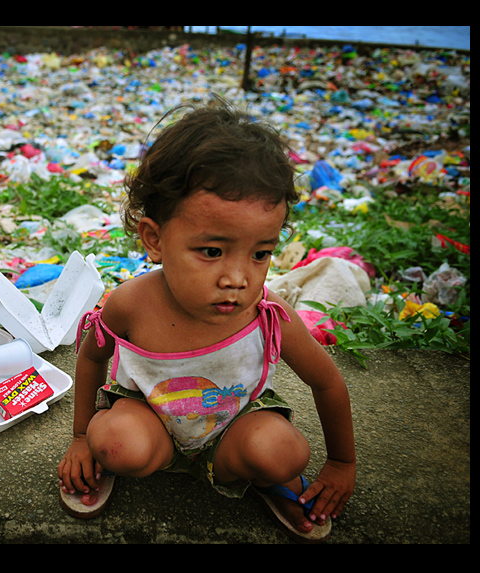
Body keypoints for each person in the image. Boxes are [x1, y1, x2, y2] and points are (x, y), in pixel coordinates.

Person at [57, 101, 355, 543]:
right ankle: (119, 454)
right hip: (149, 419)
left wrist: (341, 464)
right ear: (155, 240)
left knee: (284, 454)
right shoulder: (130, 304)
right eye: (212, 251)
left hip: (234, 424)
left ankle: (259, 476)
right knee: (115, 442)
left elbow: (328, 382)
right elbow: (90, 358)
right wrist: (81, 436)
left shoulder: (268, 314)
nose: (237, 278)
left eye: (260, 253)